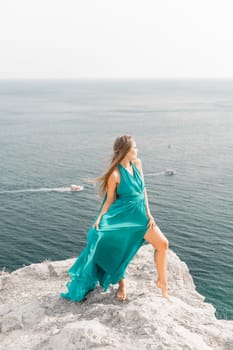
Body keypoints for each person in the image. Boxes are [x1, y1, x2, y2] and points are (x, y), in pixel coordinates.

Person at [61, 135, 169, 302]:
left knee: (163, 244)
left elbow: (143, 190)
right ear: (126, 151)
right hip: (123, 217)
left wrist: (149, 213)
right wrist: (100, 219)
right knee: (115, 248)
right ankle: (122, 284)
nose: (137, 150)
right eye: (134, 147)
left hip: (141, 215)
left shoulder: (137, 163)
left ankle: (162, 282)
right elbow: (110, 200)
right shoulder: (115, 175)